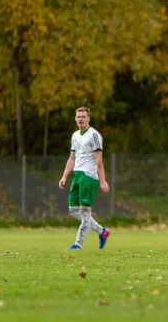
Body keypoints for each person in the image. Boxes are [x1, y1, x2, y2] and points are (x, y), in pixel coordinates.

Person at [58, 107, 111, 250]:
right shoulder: (75, 135)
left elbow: (99, 161)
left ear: (88, 118)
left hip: (88, 176)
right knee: (73, 210)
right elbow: (72, 157)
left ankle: (78, 244)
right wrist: (64, 176)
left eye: (83, 116)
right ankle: (102, 231)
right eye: (78, 116)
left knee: (85, 212)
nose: (80, 119)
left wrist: (103, 180)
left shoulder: (94, 135)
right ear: (75, 118)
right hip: (77, 175)